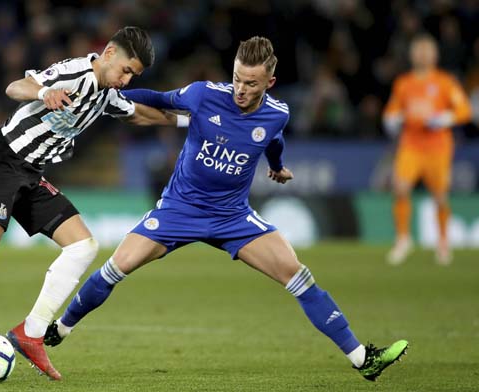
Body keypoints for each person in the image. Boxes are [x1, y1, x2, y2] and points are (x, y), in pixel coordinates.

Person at [44, 37, 408, 382]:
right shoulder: (204, 94)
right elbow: (156, 98)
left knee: (297, 275)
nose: (241, 88)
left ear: (270, 82)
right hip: (179, 209)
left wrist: (277, 166)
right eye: (237, 78)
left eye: (251, 82)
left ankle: (363, 359)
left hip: (233, 216)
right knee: (116, 268)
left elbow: (274, 140)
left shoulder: (277, 114)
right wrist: (104, 95)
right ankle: (60, 329)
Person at [0, 26, 187, 381]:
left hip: (31, 173)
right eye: (125, 70)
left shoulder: (107, 93)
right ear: (109, 53)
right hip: (3, 159)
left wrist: (191, 120)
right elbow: (15, 87)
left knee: (83, 246)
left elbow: (139, 113)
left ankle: (31, 333)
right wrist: (46, 92)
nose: (125, 80)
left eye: (132, 76)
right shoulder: (74, 72)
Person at [383, 34, 471, 265]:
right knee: (400, 188)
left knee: (440, 196)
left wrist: (446, 118)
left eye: (426, 50)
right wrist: (392, 119)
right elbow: (391, 112)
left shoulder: (445, 82)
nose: (422, 54)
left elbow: (464, 110)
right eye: (418, 50)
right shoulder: (403, 83)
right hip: (411, 144)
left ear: (435, 54)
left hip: (438, 147)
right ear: (412, 54)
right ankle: (403, 239)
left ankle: (443, 243)